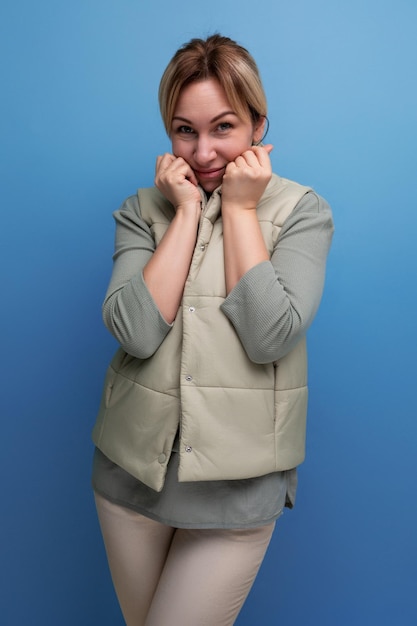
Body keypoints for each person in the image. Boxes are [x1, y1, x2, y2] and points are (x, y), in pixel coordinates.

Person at [91, 33, 334, 626]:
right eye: (184, 130)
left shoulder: (303, 211)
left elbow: (270, 335)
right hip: (130, 478)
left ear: (257, 123)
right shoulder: (142, 209)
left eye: (223, 127)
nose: (203, 153)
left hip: (237, 489)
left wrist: (243, 209)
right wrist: (187, 214)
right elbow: (136, 333)